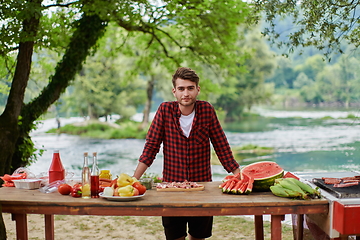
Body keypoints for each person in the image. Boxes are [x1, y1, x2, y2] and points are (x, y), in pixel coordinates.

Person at [133, 67, 240, 240]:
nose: (186, 93)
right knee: (175, 237)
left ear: (198, 89)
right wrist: (134, 179)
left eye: (190, 88)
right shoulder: (164, 111)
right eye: (181, 89)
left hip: (202, 187)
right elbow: (151, 147)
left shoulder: (207, 110)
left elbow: (221, 145)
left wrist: (239, 175)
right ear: (174, 91)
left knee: (198, 237)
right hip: (171, 189)